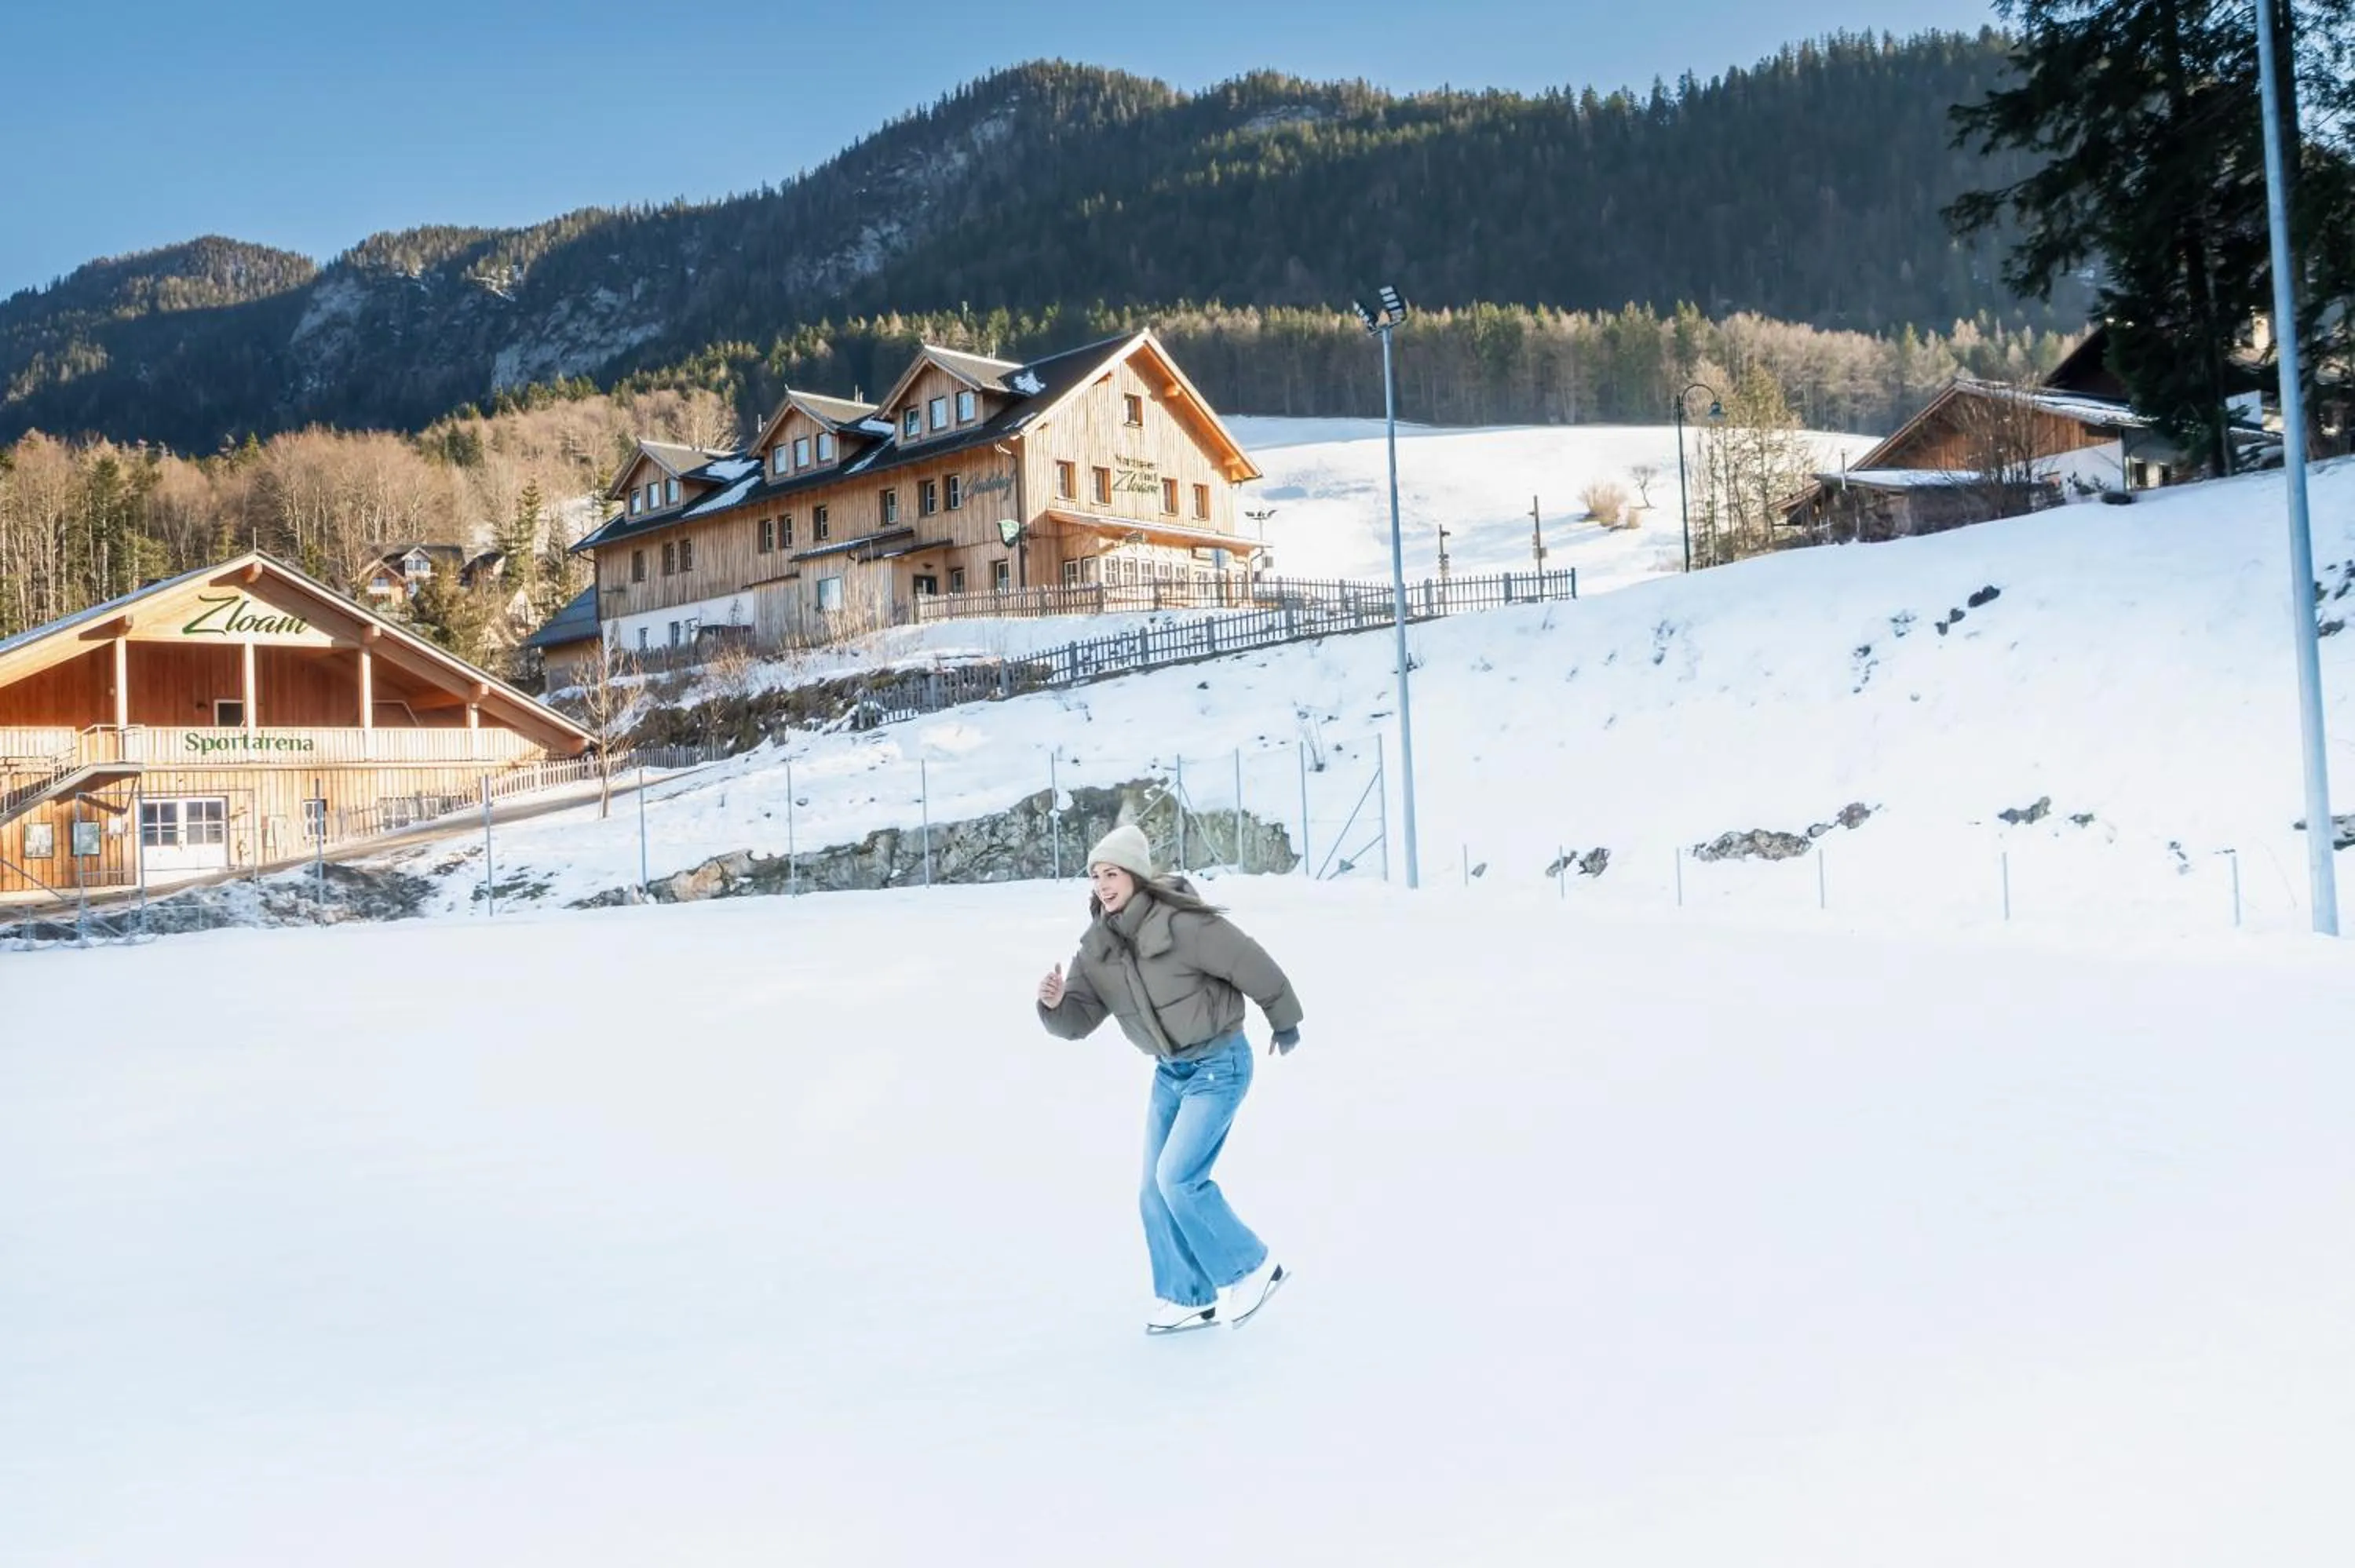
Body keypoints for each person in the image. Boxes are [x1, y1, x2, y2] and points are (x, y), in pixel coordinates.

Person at [1037, 822, 1304, 1334]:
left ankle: (1254, 1269)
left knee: (1178, 1178)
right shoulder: (1097, 947)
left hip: (1219, 1063)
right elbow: (1076, 1022)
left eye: (1112, 873)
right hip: (1171, 1072)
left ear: (1135, 874)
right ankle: (1188, 1298)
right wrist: (1052, 1005)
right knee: (1153, 1191)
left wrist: (1285, 1021)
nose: (1102, 884)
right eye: (1095, 876)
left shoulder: (1183, 925)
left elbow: (1253, 964)